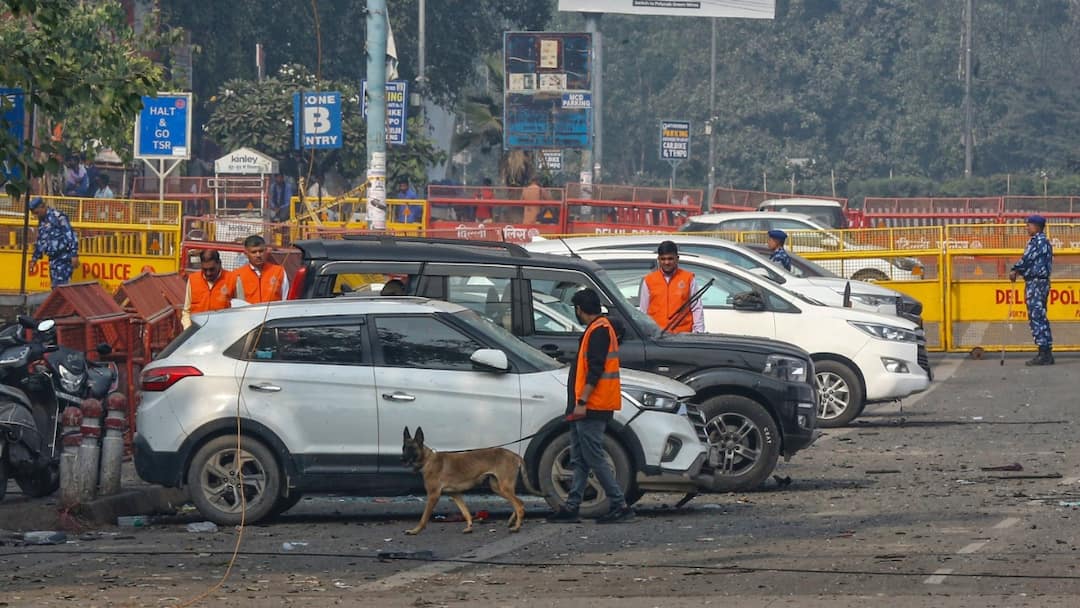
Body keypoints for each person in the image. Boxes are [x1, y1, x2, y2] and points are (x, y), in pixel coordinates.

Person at [546, 288, 635, 525]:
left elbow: (595, 370)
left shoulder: (599, 331)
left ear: (579, 309)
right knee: (580, 458)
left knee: (593, 457)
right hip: (586, 405)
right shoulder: (598, 329)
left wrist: (583, 402)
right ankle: (572, 505)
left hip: (592, 406)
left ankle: (620, 505)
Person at [1010, 215, 1054, 366]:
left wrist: (1015, 270)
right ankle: (1046, 352)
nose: (1027, 227)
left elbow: (1027, 259)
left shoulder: (1038, 241)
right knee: (1040, 316)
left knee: (1037, 317)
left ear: (1036, 226)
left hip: (1036, 283)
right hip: (1038, 282)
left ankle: (1044, 353)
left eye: (1029, 225)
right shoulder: (1042, 241)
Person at [638, 241, 704, 334]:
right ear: (658, 259)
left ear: (677, 259)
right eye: (663, 259)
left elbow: (696, 308)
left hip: (683, 335)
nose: (667, 262)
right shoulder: (649, 280)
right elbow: (643, 311)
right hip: (657, 335)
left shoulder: (688, 278)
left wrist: (698, 332)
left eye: (670, 259)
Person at [28, 196, 80, 288]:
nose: (36, 216)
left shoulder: (58, 217)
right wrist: (34, 259)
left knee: (61, 287)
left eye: (37, 213)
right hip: (53, 260)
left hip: (64, 258)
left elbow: (70, 235)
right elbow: (41, 241)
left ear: (42, 207)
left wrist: (74, 254)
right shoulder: (42, 221)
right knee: (55, 288)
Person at [181, 249, 235, 328]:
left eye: (212, 269)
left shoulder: (233, 279)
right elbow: (187, 311)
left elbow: (240, 311)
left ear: (219, 264)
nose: (208, 273)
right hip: (197, 331)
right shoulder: (193, 280)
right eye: (204, 269)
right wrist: (188, 328)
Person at [235, 235, 289, 304]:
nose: (258, 255)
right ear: (246, 253)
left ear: (266, 251)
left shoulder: (279, 271)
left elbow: (285, 299)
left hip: (274, 310)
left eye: (261, 251)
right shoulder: (237, 275)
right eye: (254, 252)